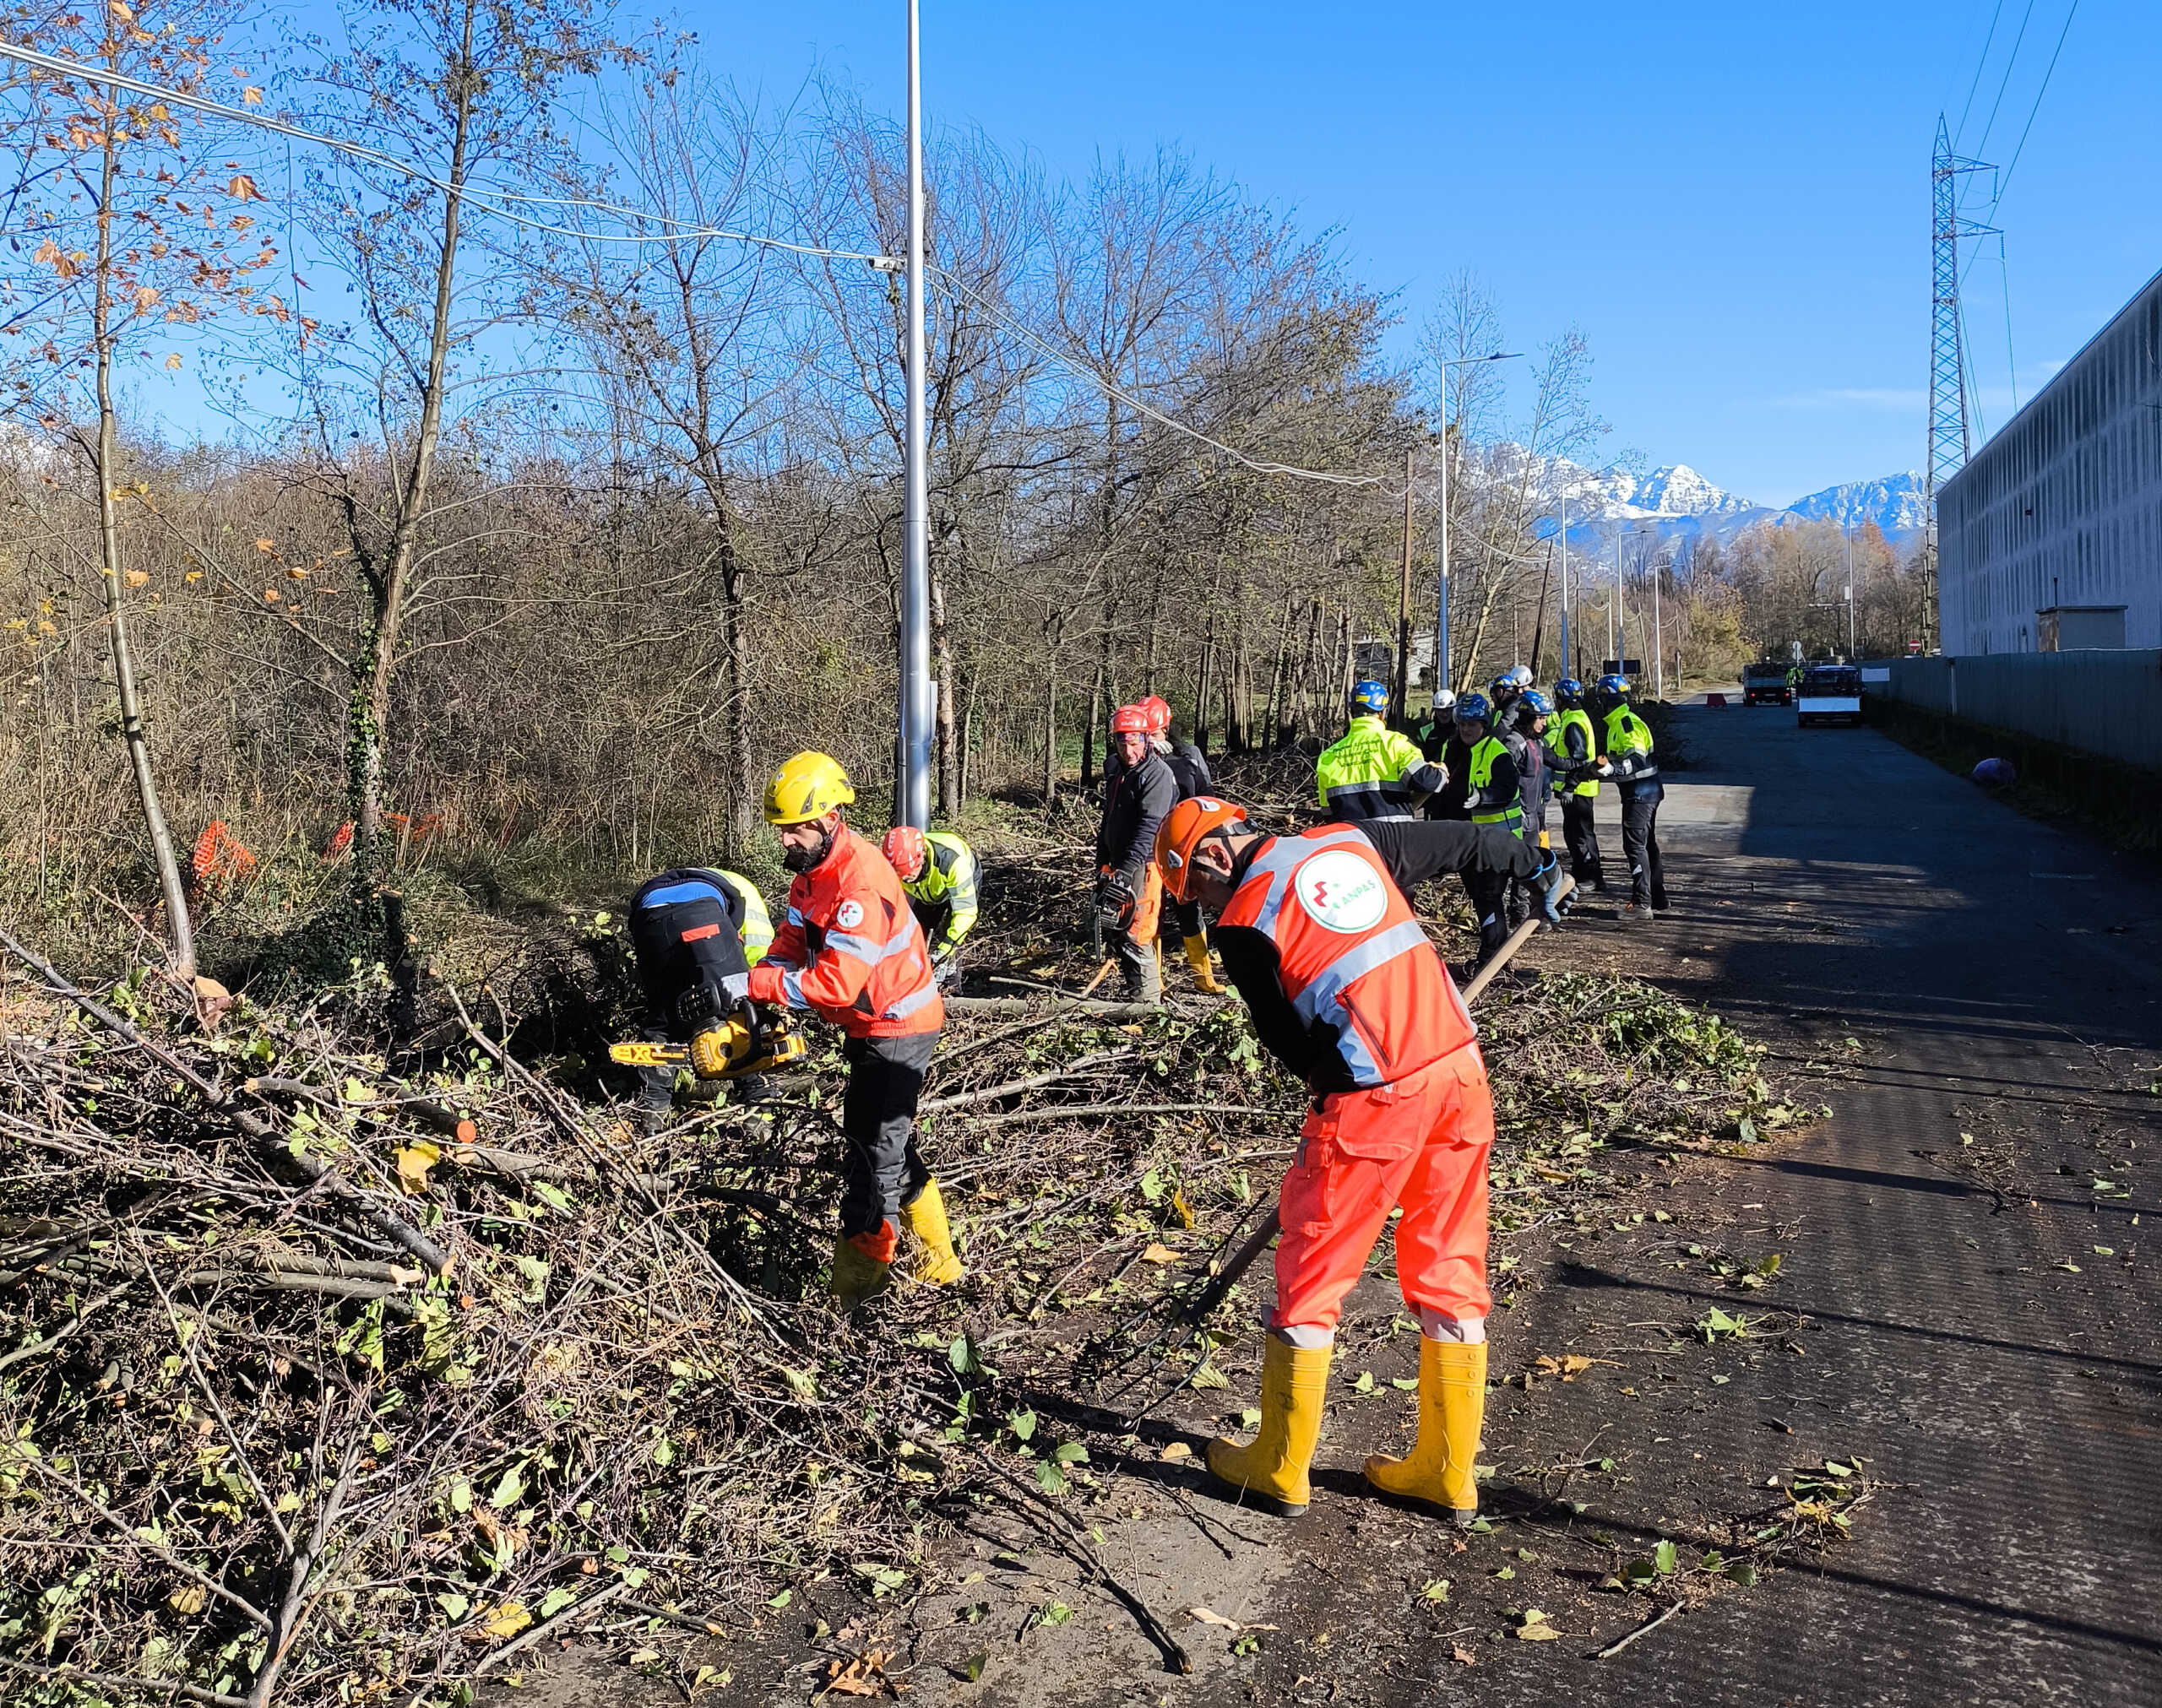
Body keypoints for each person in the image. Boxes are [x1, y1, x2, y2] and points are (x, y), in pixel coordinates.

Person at [1152, 796, 1561, 1524]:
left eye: (1199, 895)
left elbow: (1293, 1046)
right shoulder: (1349, 840)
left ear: (1214, 857)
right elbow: (1470, 840)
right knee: (1449, 1267)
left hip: (1375, 1098)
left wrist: (1332, 1099)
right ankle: (1446, 1474)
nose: (1207, 911)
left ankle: (1280, 1467)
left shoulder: (1246, 923)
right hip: (1459, 1073)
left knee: (1312, 1272)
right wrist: (1540, 865)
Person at [746, 752, 963, 1307]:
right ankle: (940, 1259)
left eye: (795, 828)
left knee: (871, 1161)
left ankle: (857, 1296)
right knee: (880, 1141)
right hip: (870, 1024)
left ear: (828, 817)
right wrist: (763, 980)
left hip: (899, 1025)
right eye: (782, 830)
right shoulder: (812, 876)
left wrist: (756, 987)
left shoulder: (860, 882)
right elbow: (790, 942)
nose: (786, 841)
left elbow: (836, 984)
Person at [623, 866, 776, 1131]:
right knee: (739, 1012)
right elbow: (758, 959)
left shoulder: (717, 882)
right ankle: (759, 1115)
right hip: (701, 911)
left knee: (664, 1017)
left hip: (648, 918)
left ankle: (651, 1115)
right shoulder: (748, 897)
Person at [1143, 695, 1225, 995]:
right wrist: (1148, 755)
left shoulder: (1189, 755)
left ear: (1166, 729)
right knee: (1152, 912)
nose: (1152, 739)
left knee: (1188, 908)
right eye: (1146, 735)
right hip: (1149, 845)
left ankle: (1203, 976)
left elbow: (1207, 794)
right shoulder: (1133, 758)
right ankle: (1154, 981)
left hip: (1183, 844)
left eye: (1154, 734)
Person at [1095, 704, 1176, 1004]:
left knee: (1137, 932)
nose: (1128, 750)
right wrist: (1103, 860)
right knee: (1117, 928)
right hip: (1120, 861)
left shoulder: (1156, 775)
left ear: (1147, 740)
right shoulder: (1120, 772)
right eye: (1122, 743)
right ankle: (1135, 995)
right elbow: (1109, 819)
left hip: (1145, 863)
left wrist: (1126, 871)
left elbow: (1149, 828)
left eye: (1134, 743)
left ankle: (1148, 1005)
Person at [1315, 679, 1446, 822]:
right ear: (1383, 712)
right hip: (1392, 838)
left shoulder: (1327, 757)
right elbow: (1427, 781)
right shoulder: (1396, 743)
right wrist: (1441, 773)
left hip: (1351, 840)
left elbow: (1327, 812)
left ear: (1352, 711)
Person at [1594, 676, 1666, 921]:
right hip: (1646, 792)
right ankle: (1657, 898)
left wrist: (1611, 769)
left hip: (1640, 794)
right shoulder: (1623, 721)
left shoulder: (1625, 724)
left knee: (1635, 846)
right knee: (1647, 845)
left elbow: (1635, 760)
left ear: (1606, 700)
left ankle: (1642, 903)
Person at [881, 827, 979, 989]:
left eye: (909, 875)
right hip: (924, 890)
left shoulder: (954, 864)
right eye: (900, 876)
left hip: (954, 885)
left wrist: (944, 951)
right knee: (916, 930)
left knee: (951, 936)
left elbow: (965, 912)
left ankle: (952, 989)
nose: (905, 879)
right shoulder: (893, 867)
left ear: (921, 857)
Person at [1543, 679, 1606, 896]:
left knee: (1580, 836)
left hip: (1577, 790)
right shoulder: (1576, 717)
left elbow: (1579, 758)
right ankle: (1582, 873)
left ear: (1560, 700)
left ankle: (1591, 877)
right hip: (1578, 789)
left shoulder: (1572, 723)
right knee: (1575, 834)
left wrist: (1569, 786)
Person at [1505, 689, 1554, 930]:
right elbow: (1505, 781)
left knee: (1532, 865)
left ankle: (1529, 914)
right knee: (1518, 866)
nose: (1544, 723)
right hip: (1518, 817)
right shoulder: (1514, 744)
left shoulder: (1535, 742)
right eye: (1541, 718)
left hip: (1534, 814)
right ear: (1527, 717)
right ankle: (1517, 916)